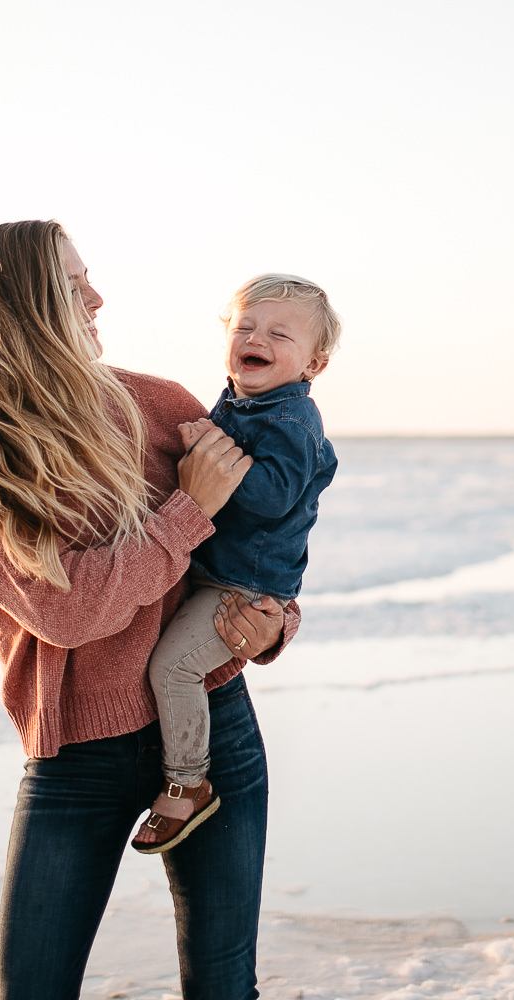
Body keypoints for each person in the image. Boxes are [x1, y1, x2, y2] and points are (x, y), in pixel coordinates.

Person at [0, 220, 298, 999]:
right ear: (25, 310)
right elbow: (65, 613)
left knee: (223, 985)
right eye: (74, 287)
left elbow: (259, 545)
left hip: (213, 729)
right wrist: (185, 513)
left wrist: (274, 624)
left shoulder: (160, 404)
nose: (98, 297)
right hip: (77, 756)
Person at [131, 275, 341, 855]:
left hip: (242, 586)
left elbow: (272, 496)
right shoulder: (240, 400)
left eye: (279, 333)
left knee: (174, 669)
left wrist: (211, 453)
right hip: (214, 569)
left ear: (313, 364)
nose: (256, 338)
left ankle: (187, 782)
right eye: (244, 327)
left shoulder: (293, 422)